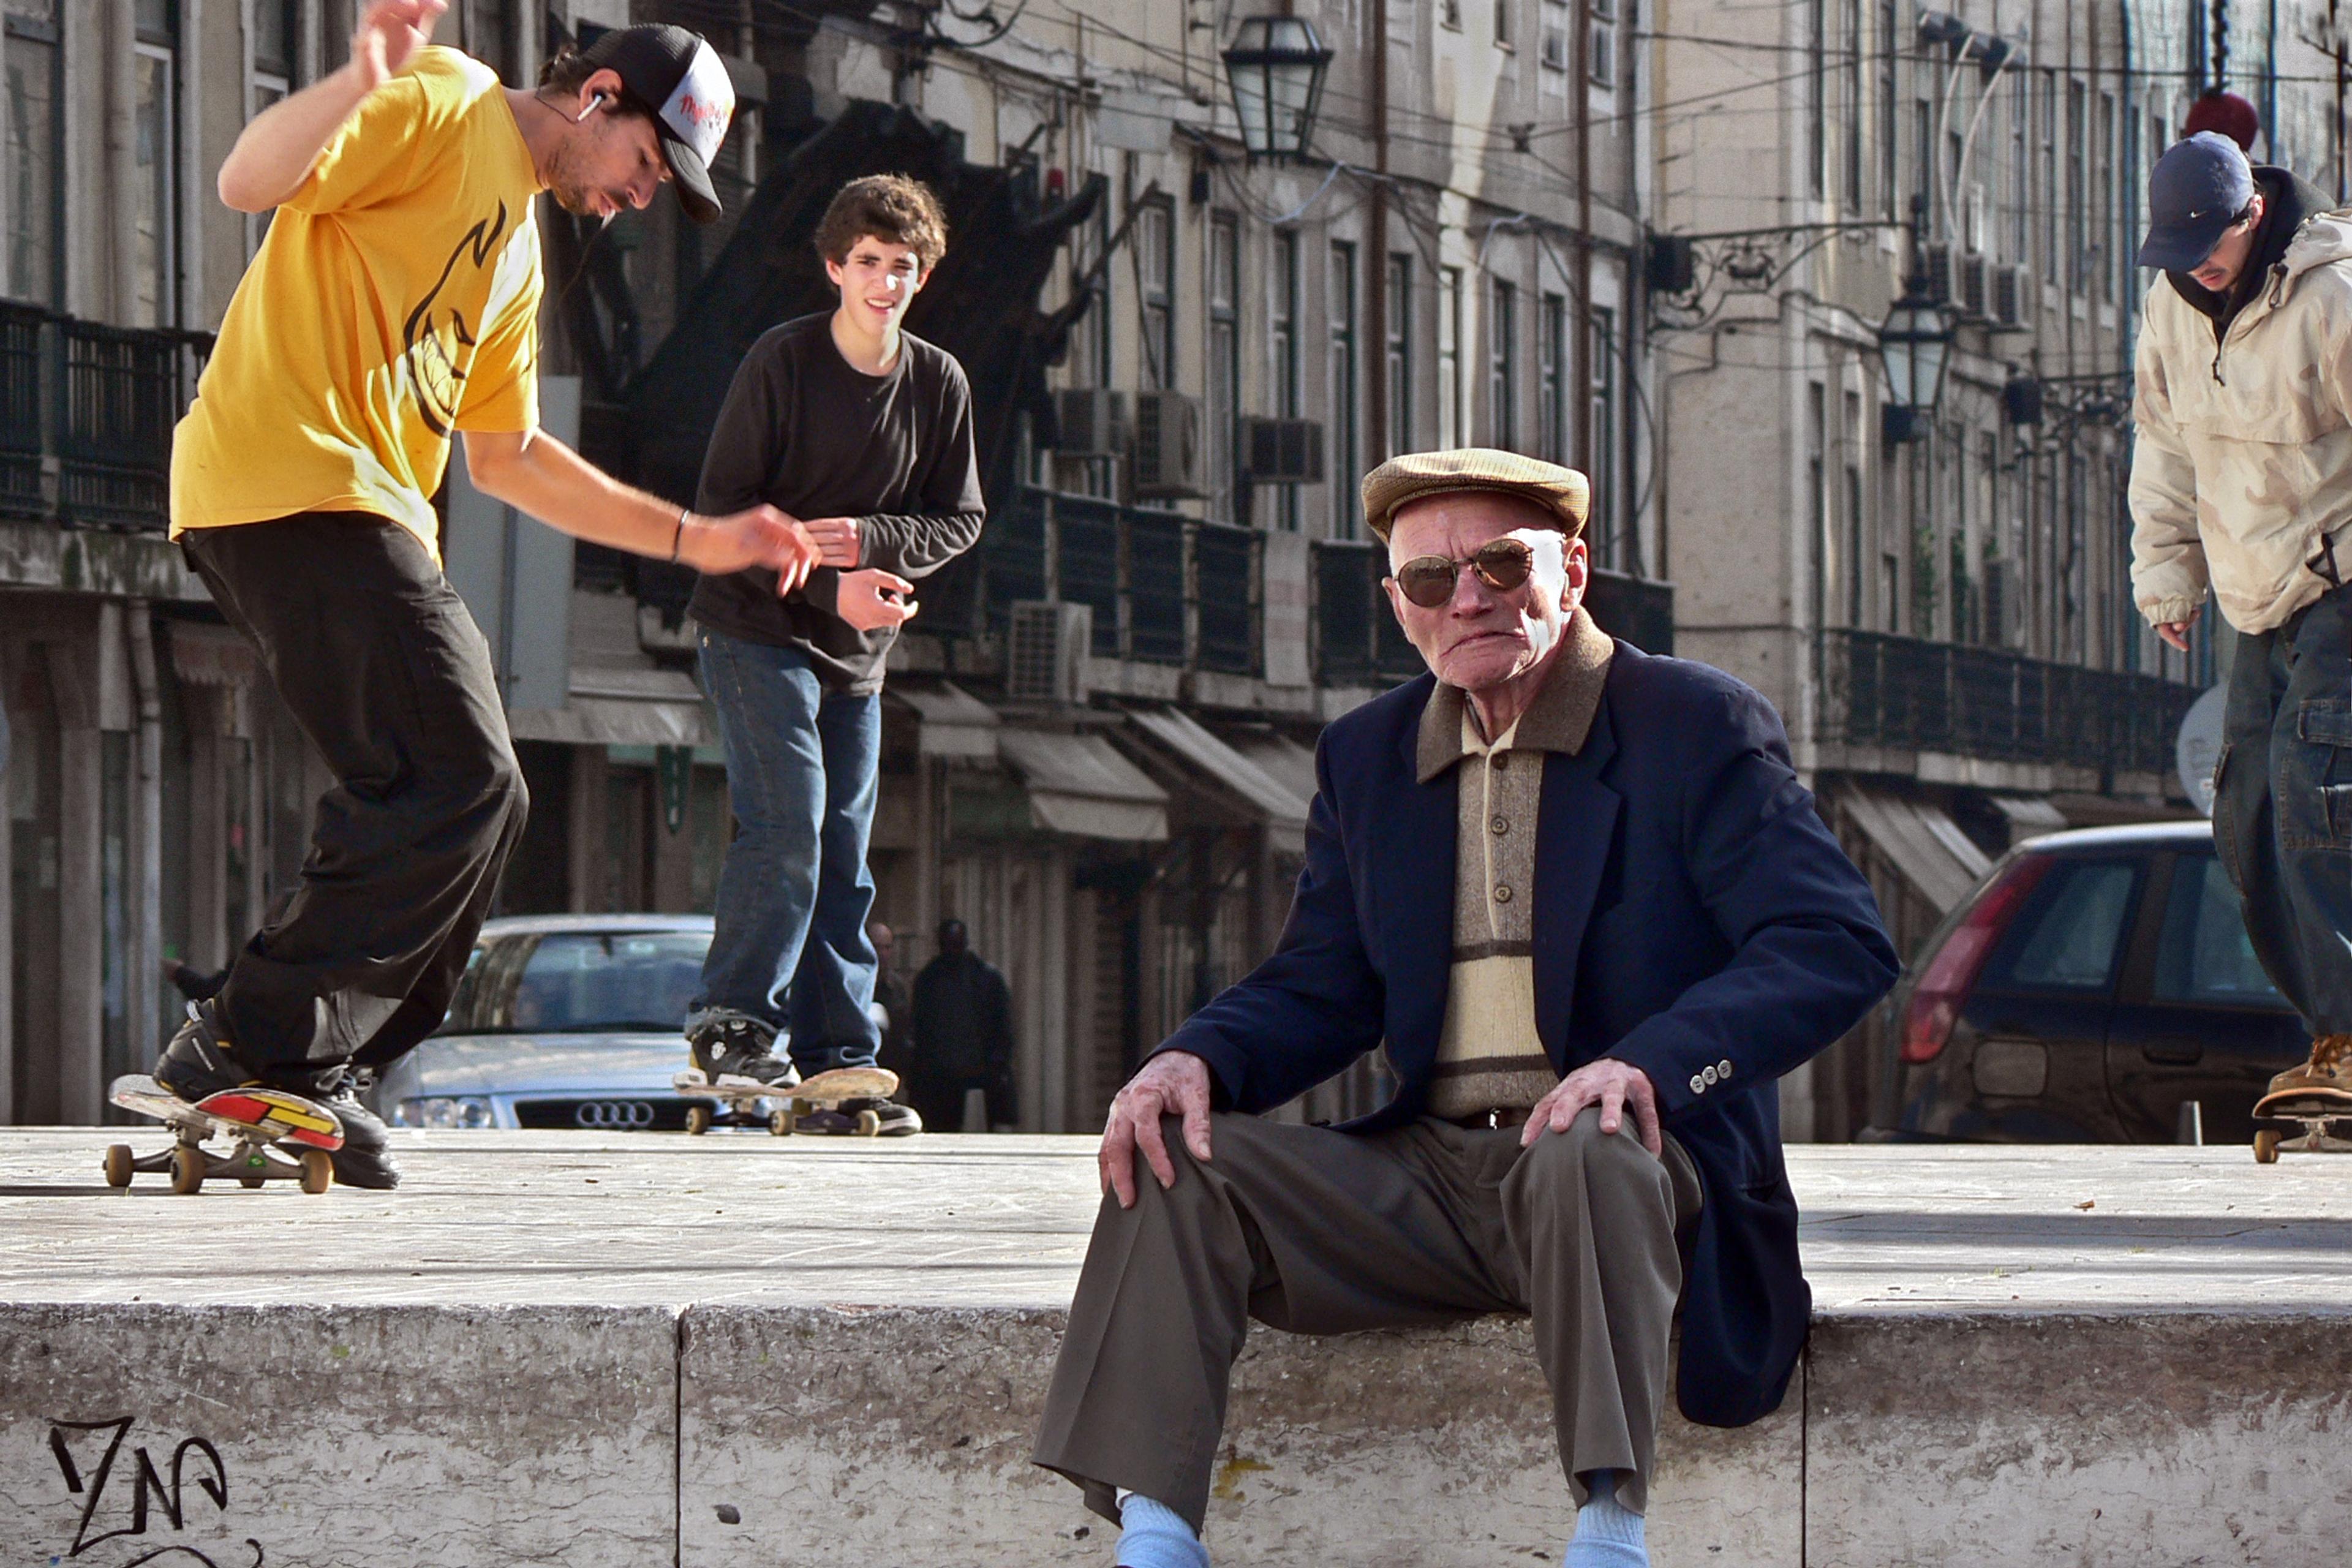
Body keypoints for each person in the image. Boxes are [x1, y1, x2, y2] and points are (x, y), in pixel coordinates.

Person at [1030, 449, 1899, 1568]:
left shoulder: (1696, 723)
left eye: (1500, 561)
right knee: (1168, 1157)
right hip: (1430, 1179)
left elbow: (1836, 943)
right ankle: (1155, 1542)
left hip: (1631, 1174)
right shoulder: (1368, 754)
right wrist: (1192, 1058)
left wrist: (1653, 1066)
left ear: (1570, 571)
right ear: (1400, 609)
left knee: (1586, 1146)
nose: (1470, 595)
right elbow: (1326, 980)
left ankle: (1608, 1535)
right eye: (1432, 580)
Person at [152, 2, 820, 1189]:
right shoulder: (444, 98)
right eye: (646, 163)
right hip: (286, 479)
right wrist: (362, 76)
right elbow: (249, 180)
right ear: (600, 97)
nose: (640, 195)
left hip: (364, 509)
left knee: (489, 798)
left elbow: (508, 457)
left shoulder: (518, 240)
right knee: (456, 773)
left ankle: (318, 1065)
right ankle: (250, 1041)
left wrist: (698, 538)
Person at [680, 175, 984, 1136]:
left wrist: (873, 543)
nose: (884, 283)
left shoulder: (938, 382)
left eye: (902, 267)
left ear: (922, 276)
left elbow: (962, 517)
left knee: (847, 849)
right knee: (790, 823)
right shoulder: (783, 363)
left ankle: (838, 1056)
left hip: (860, 653)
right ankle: (730, 1023)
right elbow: (727, 513)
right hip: (752, 627)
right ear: (834, 268)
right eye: (867, 264)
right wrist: (826, 583)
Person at [2129, 132, 2352, 1124]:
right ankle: (2334, 1035)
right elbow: (2163, 449)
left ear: (2253, 213)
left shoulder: (2335, 295)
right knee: (2247, 815)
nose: (2196, 270)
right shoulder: (2169, 309)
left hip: (2344, 578)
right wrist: (2167, 577)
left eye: (2208, 248)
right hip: (2250, 592)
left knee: (2319, 795)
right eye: (2177, 253)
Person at [909, 919, 1019, 1133]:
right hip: (940, 1077)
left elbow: (1003, 1028)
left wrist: (998, 1064)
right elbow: (920, 1030)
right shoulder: (929, 980)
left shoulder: (986, 979)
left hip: (982, 1072)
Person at [868, 918, 913, 1082]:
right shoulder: (852, 985)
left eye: (887, 948)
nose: (881, 954)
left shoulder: (897, 987)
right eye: (876, 947)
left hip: (889, 1070)